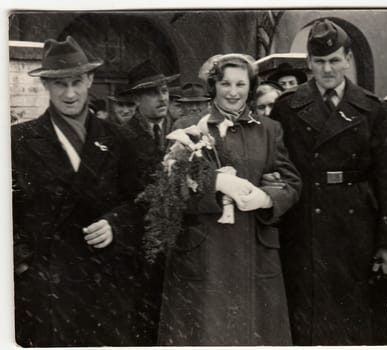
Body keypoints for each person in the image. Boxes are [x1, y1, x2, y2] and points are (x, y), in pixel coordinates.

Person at [157, 53, 301, 345]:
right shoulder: (189, 126)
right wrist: (215, 183)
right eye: (225, 83)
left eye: (240, 83)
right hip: (206, 252)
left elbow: (290, 181)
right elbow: (170, 189)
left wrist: (265, 197)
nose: (233, 92)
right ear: (214, 85)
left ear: (251, 86)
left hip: (255, 252)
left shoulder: (268, 130)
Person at [269, 19, 387, 345]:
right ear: (310, 63)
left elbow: (386, 180)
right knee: (310, 318)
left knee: (355, 319)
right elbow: (280, 170)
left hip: (356, 227)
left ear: (348, 60)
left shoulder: (371, 108)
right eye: (320, 62)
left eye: (335, 60)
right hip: (305, 226)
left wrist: (386, 243)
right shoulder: (288, 106)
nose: (328, 69)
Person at [12, 36, 141, 347]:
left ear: (90, 80)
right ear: (46, 84)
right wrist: (23, 262)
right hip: (46, 289)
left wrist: (116, 224)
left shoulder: (120, 139)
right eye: (59, 84)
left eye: (76, 82)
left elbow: (141, 200)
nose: (69, 93)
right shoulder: (18, 141)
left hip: (105, 281)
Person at [122, 60, 179, 345]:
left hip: (178, 247)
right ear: (136, 99)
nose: (163, 97)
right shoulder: (122, 138)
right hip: (139, 249)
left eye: (165, 89)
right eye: (152, 92)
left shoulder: (181, 134)